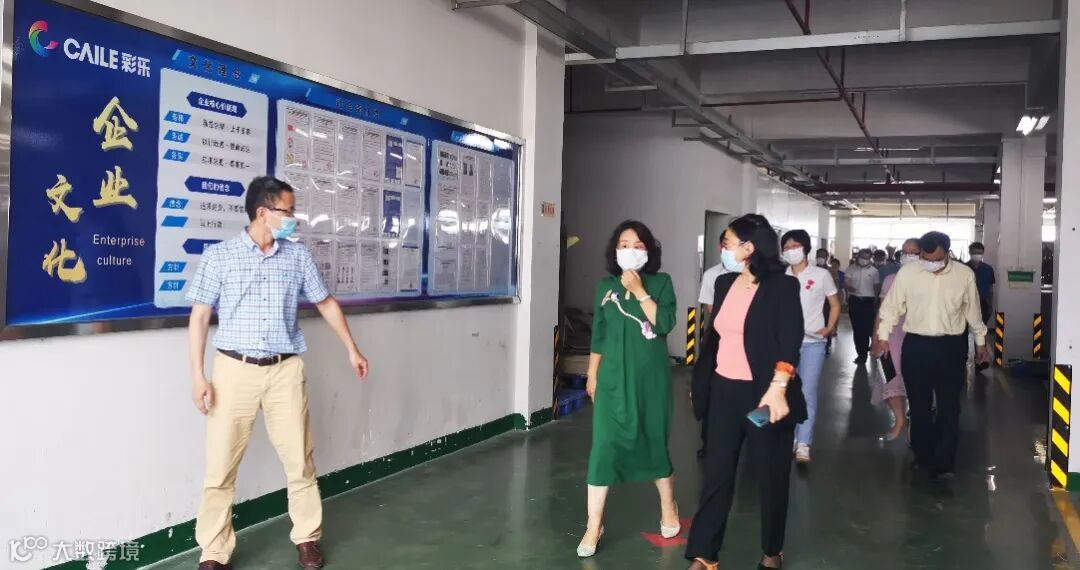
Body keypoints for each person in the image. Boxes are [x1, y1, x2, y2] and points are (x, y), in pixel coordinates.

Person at [187, 176, 370, 570]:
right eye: (288, 211)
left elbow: (325, 303)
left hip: (284, 370)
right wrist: (198, 376)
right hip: (233, 371)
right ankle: (214, 552)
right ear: (263, 212)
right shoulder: (220, 256)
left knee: (300, 461)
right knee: (220, 467)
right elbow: (199, 316)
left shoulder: (297, 256)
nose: (294, 219)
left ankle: (307, 538)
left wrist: (352, 349)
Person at [686, 214, 807, 570]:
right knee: (717, 474)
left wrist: (778, 389)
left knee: (770, 474)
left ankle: (771, 551)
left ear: (749, 247)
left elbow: (790, 342)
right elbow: (715, 339)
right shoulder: (724, 283)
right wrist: (702, 383)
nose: (722, 249)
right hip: (724, 393)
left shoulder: (783, 287)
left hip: (764, 398)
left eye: (726, 243)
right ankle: (705, 553)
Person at [579, 220, 680, 558]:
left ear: (649, 250)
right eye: (624, 245)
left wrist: (639, 291)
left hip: (650, 381)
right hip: (611, 380)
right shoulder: (604, 286)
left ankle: (668, 506)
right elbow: (599, 334)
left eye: (638, 245)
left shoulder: (662, 283)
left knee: (653, 439)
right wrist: (592, 374)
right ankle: (594, 524)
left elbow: (664, 323)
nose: (630, 250)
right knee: (603, 447)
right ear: (615, 250)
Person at [874, 231, 989, 479]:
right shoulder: (908, 273)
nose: (929, 263)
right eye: (925, 258)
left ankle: (944, 463)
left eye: (935, 259)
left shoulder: (963, 275)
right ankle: (922, 456)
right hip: (916, 346)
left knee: (949, 406)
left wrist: (980, 342)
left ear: (947, 254)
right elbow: (891, 307)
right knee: (919, 406)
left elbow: (973, 311)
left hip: (950, 347)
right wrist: (883, 337)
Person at [781, 230, 841, 464]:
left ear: (805, 248)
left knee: (807, 392)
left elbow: (834, 303)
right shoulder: (781, 275)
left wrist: (829, 327)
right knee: (783, 390)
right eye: (786, 247)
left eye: (795, 246)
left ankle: (803, 442)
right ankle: (789, 437)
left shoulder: (821, 275)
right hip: (785, 343)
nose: (791, 250)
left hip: (812, 344)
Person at [873, 238, 920, 442]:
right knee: (891, 380)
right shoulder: (891, 279)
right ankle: (899, 420)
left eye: (914, 252)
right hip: (891, 338)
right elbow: (882, 312)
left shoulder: (930, 281)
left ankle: (914, 423)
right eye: (905, 252)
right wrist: (876, 338)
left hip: (918, 339)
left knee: (917, 384)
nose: (909, 256)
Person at [697, 258, 730, 459]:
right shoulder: (717, 278)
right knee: (712, 391)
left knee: (752, 399)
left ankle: (750, 442)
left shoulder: (773, 281)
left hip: (750, 350)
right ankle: (709, 442)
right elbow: (711, 308)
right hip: (718, 338)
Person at [846, 249, 880, 364]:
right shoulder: (851, 268)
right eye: (862, 257)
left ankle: (872, 348)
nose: (864, 260)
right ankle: (861, 354)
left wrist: (876, 304)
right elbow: (847, 282)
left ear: (870, 258)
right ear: (858, 256)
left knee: (868, 328)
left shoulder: (874, 271)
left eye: (867, 258)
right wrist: (849, 288)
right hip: (855, 301)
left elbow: (876, 288)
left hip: (869, 302)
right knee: (858, 330)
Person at [967, 242, 996, 324]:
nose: (977, 255)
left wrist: (990, 305)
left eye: (979, 253)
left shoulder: (988, 269)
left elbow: (990, 289)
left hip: (983, 304)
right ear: (969, 253)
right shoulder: (963, 268)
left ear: (983, 253)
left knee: (982, 327)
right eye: (974, 252)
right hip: (966, 304)